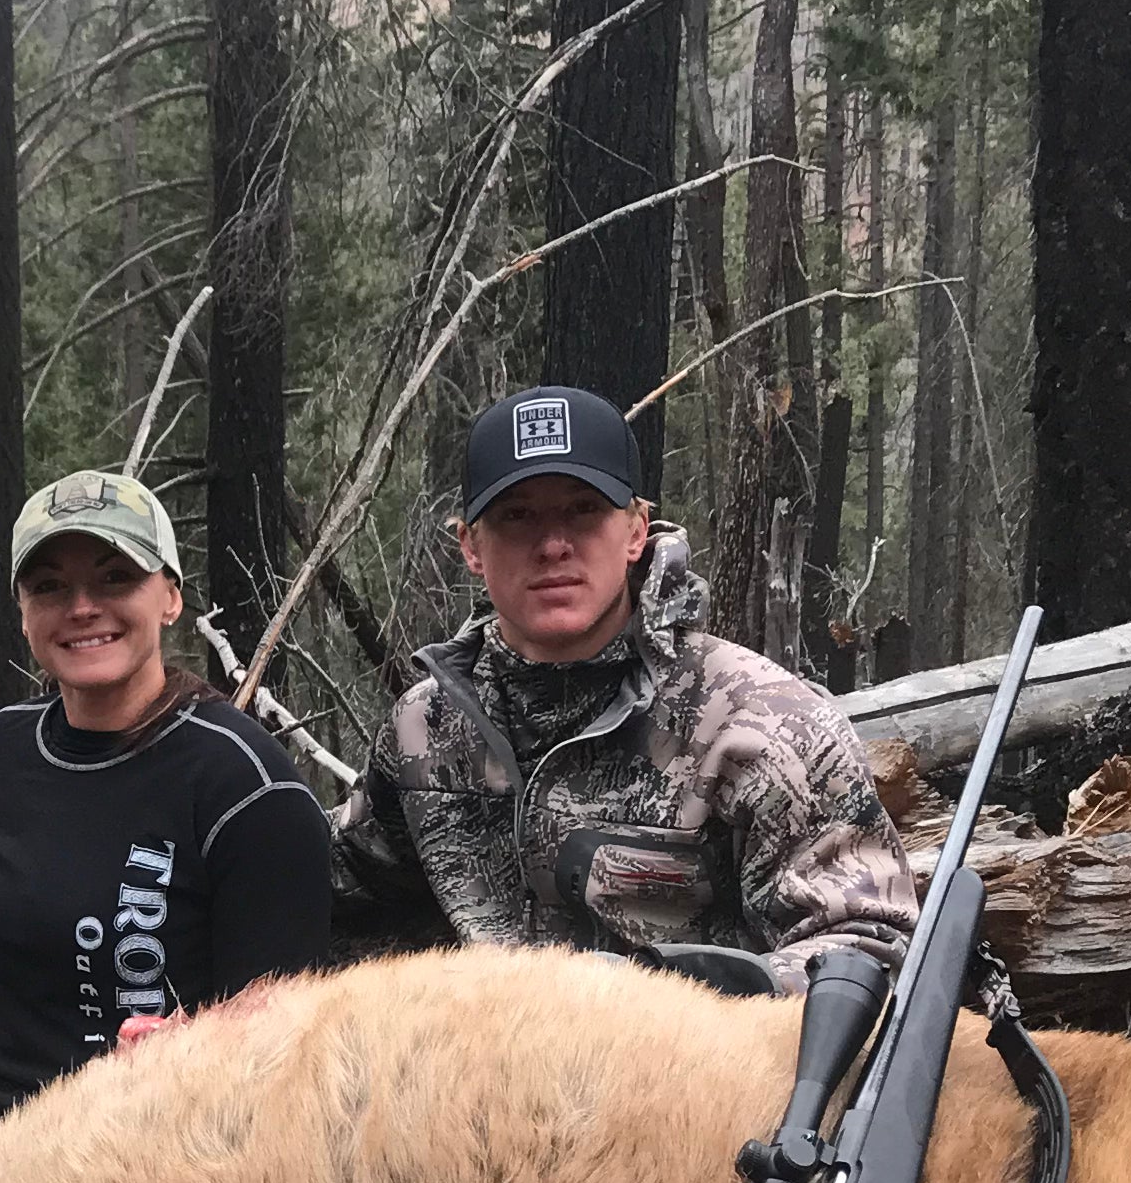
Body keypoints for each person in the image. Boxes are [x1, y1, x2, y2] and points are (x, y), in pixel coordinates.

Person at [334, 383, 915, 991]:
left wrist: (673, 993)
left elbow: (870, 949)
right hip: (481, 1050)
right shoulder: (425, 729)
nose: (553, 545)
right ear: (471, 546)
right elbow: (339, 883)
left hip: (695, 1048)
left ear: (637, 530)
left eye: (584, 509)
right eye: (518, 516)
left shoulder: (761, 725)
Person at [0, 467, 332, 1157]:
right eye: (49, 587)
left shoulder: (246, 787)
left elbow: (280, 1034)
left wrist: (194, 1052)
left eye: (115, 578)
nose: (83, 607)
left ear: (170, 597)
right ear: (23, 613)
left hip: (151, 1164)